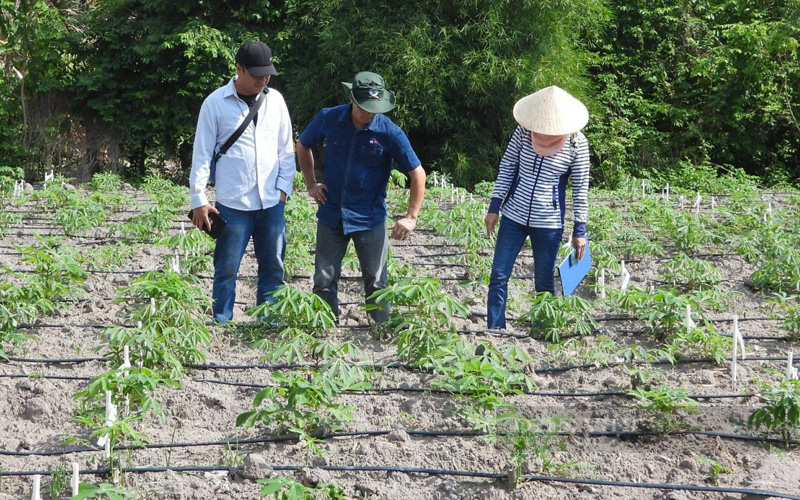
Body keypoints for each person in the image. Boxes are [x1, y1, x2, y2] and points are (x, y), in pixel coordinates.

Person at [295, 71, 426, 323]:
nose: (370, 113)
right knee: (323, 279)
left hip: (370, 217)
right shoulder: (329, 118)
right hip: (332, 213)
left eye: (375, 108)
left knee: (377, 283)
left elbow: (417, 173)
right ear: (352, 100)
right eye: (365, 107)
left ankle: (379, 331)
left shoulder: (389, 132)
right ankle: (324, 329)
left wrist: (411, 217)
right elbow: (303, 143)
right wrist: (311, 184)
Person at [188, 41, 296, 323]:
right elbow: (201, 154)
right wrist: (198, 200)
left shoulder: (276, 101)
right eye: (257, 74)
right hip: (233, 203)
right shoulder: (214, 104)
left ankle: (269, 320)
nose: (263, 80)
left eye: (267, 74)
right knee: (226, 267)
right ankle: (221, 320)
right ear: (239, 69)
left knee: (273, 266)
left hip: (271, 202)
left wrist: (284, 189)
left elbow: (286, 149)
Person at [484, 85, 590, 330]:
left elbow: (580, 187)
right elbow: (508, 166)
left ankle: (542, 329)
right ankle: (495, 329)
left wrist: (580, 229)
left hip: (549, 222)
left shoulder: (576, 143)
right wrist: (494, 206)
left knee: (543, 280)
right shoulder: (524, 132)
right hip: (514, 215)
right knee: (499, 274)